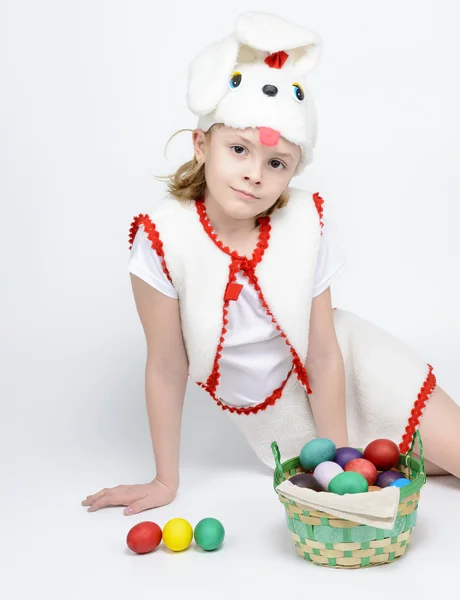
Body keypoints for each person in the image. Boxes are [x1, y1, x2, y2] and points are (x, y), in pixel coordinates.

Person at [82, 11, 460, 516]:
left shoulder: (303, 222)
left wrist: (342, 469)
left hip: (355, 369)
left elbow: (325, 354)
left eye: (276, 163)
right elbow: (168, 365)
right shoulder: (163, 237)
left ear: (292, 171)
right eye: (237, 149)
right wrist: (164, 482)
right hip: (288, 415)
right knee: (409, 467)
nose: (254, 174)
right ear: (201, 145)